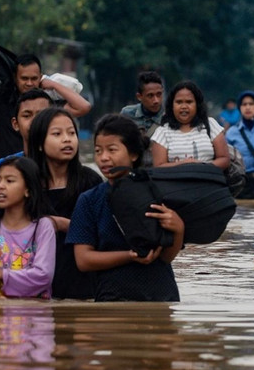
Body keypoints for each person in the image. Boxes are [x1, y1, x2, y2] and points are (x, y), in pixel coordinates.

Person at [67, 114, 185, 302]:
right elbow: (84, 260)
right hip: (112, 300)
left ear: (134, 154)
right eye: (98, 151)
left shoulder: (157, 192)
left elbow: (166, 257)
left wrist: (179, 229)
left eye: (112, 150)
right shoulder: (89, 200)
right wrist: (129, 256)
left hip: (161, 298)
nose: (103, 158)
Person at [0, 35, 92, 163]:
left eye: (34, 78)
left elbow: (83, 107)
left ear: (40, 77)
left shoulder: (48, 106)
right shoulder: (1, 102)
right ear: (15, 78)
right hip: (5, 177)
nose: (29, 83)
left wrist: (53, 84)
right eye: (24, 78)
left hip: (37, 174)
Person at [26, 107, 103, 300]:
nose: (67, 139)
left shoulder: (90, 181)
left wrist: (62, 224)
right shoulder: (26, 184)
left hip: (83, 284)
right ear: (40, 143)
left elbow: (103, 232)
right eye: (57, 134)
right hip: (36, 286)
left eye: (71, 133)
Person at [0, 156, 56, 298]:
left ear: (28, 190)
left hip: (35, 313)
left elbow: (43, 276)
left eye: (9, 181)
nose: (0, 186)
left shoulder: (42, 227)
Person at [0, 90, 53, 208]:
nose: (34, 121)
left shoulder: (63, 165)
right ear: (15, 124)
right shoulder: (2, 167)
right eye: (27, 115)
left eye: (41, 115)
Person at [150, 80, 230, 171]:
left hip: (209, 182)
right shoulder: (162, 132)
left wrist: (201, 167)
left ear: (197, 105)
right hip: (175, 184)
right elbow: (158, 166)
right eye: (179, 102)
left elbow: (224, 159)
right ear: (172, 105)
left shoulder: (210, 125)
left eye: (189, 102)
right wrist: (184, 165)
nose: (184, 106)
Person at [121, 71, 164, 167]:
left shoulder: (169, 117)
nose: (156, 100)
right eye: (150, 96)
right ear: (139, 96)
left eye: (159, 94)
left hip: (159, 169)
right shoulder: (127, 114)